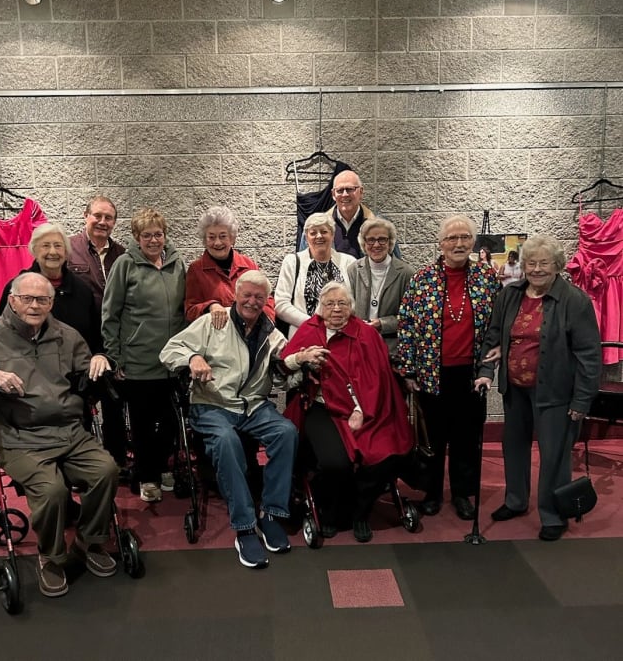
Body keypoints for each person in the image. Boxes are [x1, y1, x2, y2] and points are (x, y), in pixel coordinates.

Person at [0, 272, 119, 598]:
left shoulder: (66, 336)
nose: (35, 305)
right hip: (19, 436)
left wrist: (99, 359)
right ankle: (51, 557)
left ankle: (89, 540)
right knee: (52, 491)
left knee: (106, 472)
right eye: (27, 298)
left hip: (69, 431)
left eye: (43, 299)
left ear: (52, 302)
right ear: (12, 300)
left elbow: (87, 373)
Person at [160, 270, 325, 569]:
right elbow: (170, 349)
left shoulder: (270, 331)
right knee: (226, 440)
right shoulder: (214, 321)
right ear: (236, 295)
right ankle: (245, 526)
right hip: (212, 402)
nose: (252, 301)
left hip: (252, 406)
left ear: (266, 300)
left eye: (259, 297)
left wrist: (300, 358)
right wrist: (192, 359)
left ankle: (272, 514)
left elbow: (282, 362)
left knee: (286, 432)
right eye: (246, 295)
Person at [475, 235, 602, 541]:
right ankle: (516, 501)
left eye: (544, 263)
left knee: (554, 454)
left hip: (556, 394)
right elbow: (494, 336)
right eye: (531, 263)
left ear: (557, 266)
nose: (536, 269)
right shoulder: (511, 295)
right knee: (513, 447)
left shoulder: (574, 300)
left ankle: (553, 513)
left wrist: (582, 401)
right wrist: (486, 370)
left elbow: (589, 356)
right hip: (514, 390)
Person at [281, 282, 413, 542]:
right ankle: (332, 512)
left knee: (387, 451)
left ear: (351, 307)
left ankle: (360, 512)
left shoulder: (367, 334)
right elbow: (285, 365)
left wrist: (362, 409)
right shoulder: (309, 330)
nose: (336, 309)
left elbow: (380, 379)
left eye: (342, 303)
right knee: (335, 463)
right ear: (320, 308)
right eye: (330, 304)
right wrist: (303, 359)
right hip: (322, 407)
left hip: (370, 407)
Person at [396, 214, 501, 520]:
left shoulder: (487, 278)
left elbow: (496, 324)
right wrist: (410, 370)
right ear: (440, 244)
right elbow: (407, 325)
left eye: (464, 238)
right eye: (452, 238)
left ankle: (461, 494)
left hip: (470, 374)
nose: (458, 244)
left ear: (472, 242)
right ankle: (430, 492)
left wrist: (492, 359)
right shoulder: (422, 279)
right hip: (431, 372)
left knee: (466, 437)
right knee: (433, 437)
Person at [102, 207, 186, 503]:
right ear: (137, 238)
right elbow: (110, 314)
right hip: (138, 363)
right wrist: (115, 357)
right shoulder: (125, 265)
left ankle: (163, 466)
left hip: (172, 362)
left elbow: (183, 311)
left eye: (158, 234)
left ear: (165, 235)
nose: (153, 240)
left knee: (172, 421)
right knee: (142, 424)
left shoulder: (177, 264)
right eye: (147, 235)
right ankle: (147, 475)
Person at [68, 196, 128, 470]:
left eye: (109, 218)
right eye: (98, 216)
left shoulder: (123, 254)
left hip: (113, 341)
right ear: (86, 216)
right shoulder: (68, 250)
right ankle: (84, 462)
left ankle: (115, 460)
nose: (103, 222)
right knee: (80, 405)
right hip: (79, 341)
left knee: (115, 404)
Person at [0, 222, 101, 353]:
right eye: (45, 246)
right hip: (27, 367)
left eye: (58, 246)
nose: (53, 252)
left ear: (66, 252)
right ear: (34, 251)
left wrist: (99, 355)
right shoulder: (16, 287)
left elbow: (95, 337)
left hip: (74, 367)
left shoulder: (82, 290)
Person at [185, 205, 275, 329]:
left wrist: (263, 321)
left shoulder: (248, 265)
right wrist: (211, 306)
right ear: (205, 241)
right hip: (216, 339)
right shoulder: (196, 270)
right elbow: (190, 311)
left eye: (223, 236)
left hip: (250, 335)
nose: (217, 242)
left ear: (232, 238)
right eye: (211, 237)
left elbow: (267, 299)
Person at [275, 212, 356, 338]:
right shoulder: (292, 262)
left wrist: (338, 322)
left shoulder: (349, 262)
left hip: (342, 337)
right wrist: (313, 324)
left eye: (324, 232)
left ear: (332, 235)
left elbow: (356, 301)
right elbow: (281, 304)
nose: (319, 236)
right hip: (304, 335)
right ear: (306, 238)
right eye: (313, 233)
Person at [347, 218, 414, 360]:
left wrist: (382, 324)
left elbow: (411, 317)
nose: (376, 245)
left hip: (391, 350)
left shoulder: (406, 273)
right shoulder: (353, 270)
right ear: (364, 244)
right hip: (359, 347)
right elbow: (347, 309)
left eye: (382, 239)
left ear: (390, 243)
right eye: (371, 240)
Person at [327, 170, 374, 258]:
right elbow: (305, 264)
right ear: (333, 194)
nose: (345, 194)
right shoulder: (319, 226)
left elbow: (395, 266)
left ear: (361, 192)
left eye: (350, 189)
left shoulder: (379, 225)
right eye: (340, 190)